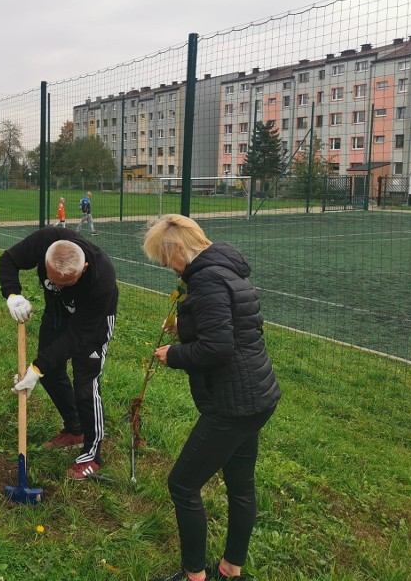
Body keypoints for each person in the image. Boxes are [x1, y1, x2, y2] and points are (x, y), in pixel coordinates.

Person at [143, 215, 281, 581]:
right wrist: (184, 325)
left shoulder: (205, 281)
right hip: (257, 395)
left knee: (182, 484)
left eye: (163, 257)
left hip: (232, 404)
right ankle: (230, 569)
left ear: (176, 249)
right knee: (240, 485)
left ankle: (194, 575)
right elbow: (236, 324)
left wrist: (173, 354)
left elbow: (217, 347)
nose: (164, 265)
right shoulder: (226, 270)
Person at [0, 228, 118, 480]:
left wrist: (37, 367)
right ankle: (75, 429)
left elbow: (78, 336)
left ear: (83, 269)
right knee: (50, 373)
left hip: (91, 323)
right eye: (54, 282)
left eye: (67, 284)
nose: (59, 287)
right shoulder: (46, 241)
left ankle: (92, 453)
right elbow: (8, 259)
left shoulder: (101, 277)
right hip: (57, 314)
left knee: (86, 384)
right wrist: (12, 293)